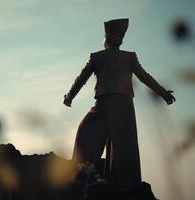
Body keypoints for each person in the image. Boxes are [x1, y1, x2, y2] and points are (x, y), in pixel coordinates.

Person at [63, 18, 175, 190]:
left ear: (106, 39)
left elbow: (81, 79)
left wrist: (70, 96)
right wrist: (164, 93)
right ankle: (125, 183)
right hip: (122, 106)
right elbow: (145, 78)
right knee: (124, 145)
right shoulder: (129, 57)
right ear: (120, 40)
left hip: (104, 104)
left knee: (86, 133)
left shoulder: (97, 57)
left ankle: (82, 173)